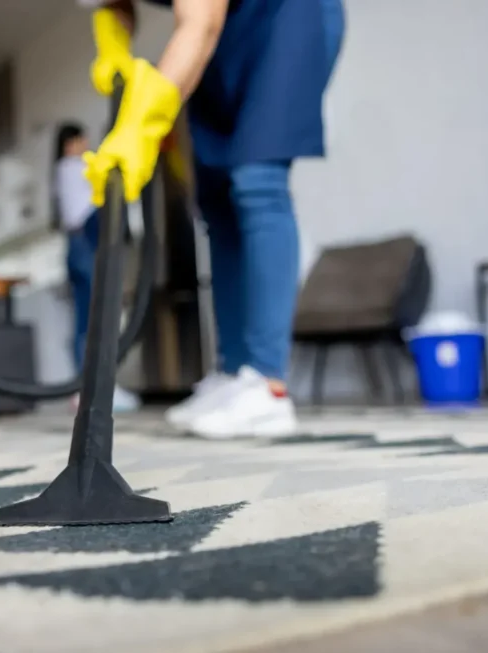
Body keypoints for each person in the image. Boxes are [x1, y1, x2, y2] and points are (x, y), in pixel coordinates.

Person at [79, 0, 345, 438]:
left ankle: (267, 384)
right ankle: (234, 373)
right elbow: (113, 4)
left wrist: (143, 124)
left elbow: (201, 21)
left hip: (285, 19)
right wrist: (114, 48)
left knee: (257, 182)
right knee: (217, 204)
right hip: (221, 37)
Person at [53, 122, 141, 413]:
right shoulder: (76, 167)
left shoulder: (60, 171)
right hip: (87, 247)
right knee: (99, 317)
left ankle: (84, 389)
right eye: (82, 140)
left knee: (83, 321)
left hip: (74, 248)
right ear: (71, 143)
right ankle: (100, 390)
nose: (86, 145)